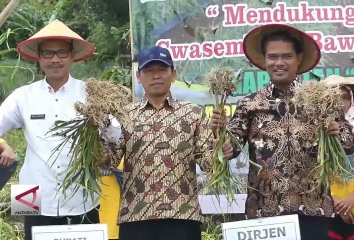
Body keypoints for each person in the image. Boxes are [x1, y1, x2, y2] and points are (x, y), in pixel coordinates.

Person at [210, 24, 354, 239]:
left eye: (286, 56)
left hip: (312, 209)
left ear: (299, 58)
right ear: (264, 60)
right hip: (264, 214)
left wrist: (336, 135)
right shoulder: (250, 104)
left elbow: (348, 145)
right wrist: (220, 136)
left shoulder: (319, 100)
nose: (279, 63)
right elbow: (231, 149)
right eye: (272, 57)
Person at [102, 46, 233, 240]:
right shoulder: (125, 116)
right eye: (149, 71)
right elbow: (109, 162)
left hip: (182, 217)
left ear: (173, 74)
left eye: (162, 70)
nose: (156, 76)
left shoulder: (193, 113)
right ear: (139, 77)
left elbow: (208, 164)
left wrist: (220, 151)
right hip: (136, 217)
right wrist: (99, 131)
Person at [0, 19, 110, 240]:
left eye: (61, 53)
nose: (55, 59)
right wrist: (3, 144)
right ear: (39, 58)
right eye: (48, 53)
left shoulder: (91, 93)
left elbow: (115, 136)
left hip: (83, 190)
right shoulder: (23, 96)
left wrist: (107, 126)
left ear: (71, 56)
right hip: (30, 193)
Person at [323, 75, 354, 239]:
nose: (339, 102)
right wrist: (334, 198)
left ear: (351, 101)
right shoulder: (312, 135)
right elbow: (308, 171)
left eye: (344, 97)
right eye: (333, 97)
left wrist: (353, 196)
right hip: (325, 208)